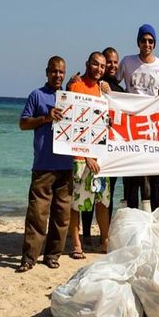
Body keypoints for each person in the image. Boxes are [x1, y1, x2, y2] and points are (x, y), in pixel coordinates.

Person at [16, 56, 73, 272]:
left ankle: (52, 255)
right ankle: (29, 258)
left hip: (66, 166)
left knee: (62, 216)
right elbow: (23, 123)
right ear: (47, 72)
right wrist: (45, 118)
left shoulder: (70, 97)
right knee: (37, 214)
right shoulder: (36, 95)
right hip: (43, 165)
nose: (58, 75)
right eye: (54, 71)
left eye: (61, 72)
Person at [117, 24, 159, 210]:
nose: (147, 44)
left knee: (154, 176)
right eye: (144, 40)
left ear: (155, 44)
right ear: (138, 42)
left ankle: (156, 217)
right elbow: (114, 84)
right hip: (130, 125)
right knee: (132, 175)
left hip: (152, 127)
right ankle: (132, 215)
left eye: (151, 41)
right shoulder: (127, 62)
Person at [67, 52, 110, 258]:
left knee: (102, 201)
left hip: (100, 157)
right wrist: (87, 157)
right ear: (87, 64)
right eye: (96, 64)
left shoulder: (102, 91)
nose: (99, 69)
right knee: (77, 202)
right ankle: (76, 243)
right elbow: (73, 126)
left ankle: (105, 240)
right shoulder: (76, 86)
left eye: (102, 66)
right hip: (80, 158)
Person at [81, 46, 123, 244]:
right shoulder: (91, 85)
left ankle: (104, 236)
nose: (112, 65)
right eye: (109, 62)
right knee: (87, 193)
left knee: (106, 195)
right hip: (89, 150)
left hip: (110, 152)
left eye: (115, 62)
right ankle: (87, 233)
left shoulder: (119, 90)